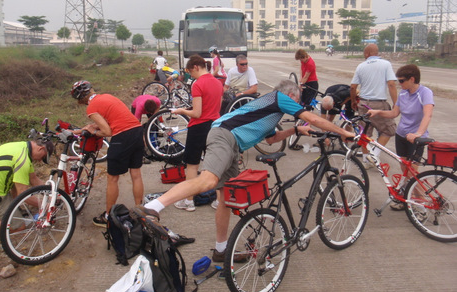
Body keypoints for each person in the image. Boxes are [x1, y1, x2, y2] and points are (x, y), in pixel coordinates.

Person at [130, 79, 355, 262]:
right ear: (291, 96)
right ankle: (151, 207)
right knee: (207, 180)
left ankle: (221, 249)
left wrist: (294, 130)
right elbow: (314, 118)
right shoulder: (279, 99)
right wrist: (343, 132)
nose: (296, 104)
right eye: (296, 99)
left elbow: (271, 139)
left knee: (225, 197)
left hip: (231, 143)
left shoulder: (271, 111)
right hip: (225, 136)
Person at [71, 80, 145, 227]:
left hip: (122, 137)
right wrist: (81, 130)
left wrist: (94, 131)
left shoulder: (91, 107)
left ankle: (108, 217)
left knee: (112, 178)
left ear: (81, 100)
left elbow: (107, 132)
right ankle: (140, 211)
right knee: (135, 174)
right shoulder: (107, 97)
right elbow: (115, 118)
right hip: (137, 131)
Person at [366, 64, 434, 210]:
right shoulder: (403, 94)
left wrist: (418, 134)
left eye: (402, 81)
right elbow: (394, 113)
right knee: (405, 169)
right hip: (402, 135)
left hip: (415, 138)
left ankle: (422, 203)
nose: (399, 84)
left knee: (413, 172)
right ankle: (408, 199)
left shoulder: (424, 93)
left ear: (412, 79)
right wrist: (377, 112)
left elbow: (427, 115)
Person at [171, 55, 223, 212]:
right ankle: (219, 201)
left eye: (189, 71)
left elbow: (197, 113)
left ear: (196, 67)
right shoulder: (218, 83)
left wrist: (180, 111)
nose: (189, 75)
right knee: (215, 165)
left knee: (192, 165)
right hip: (215, 126)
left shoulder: (197, 84)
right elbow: (217, 108)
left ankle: (189, 201)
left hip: (198, 128)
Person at [350, 43, 397, 168]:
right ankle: (374, 155)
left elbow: (353, 87)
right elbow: (391, 84)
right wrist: (396, 103)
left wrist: (353, 101)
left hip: (364, 103)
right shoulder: (386, 64)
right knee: (388, 130)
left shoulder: (361, 66)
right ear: (377, 52)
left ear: (367, 54)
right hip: (379, 103)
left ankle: (367, 160)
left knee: (365, 133)